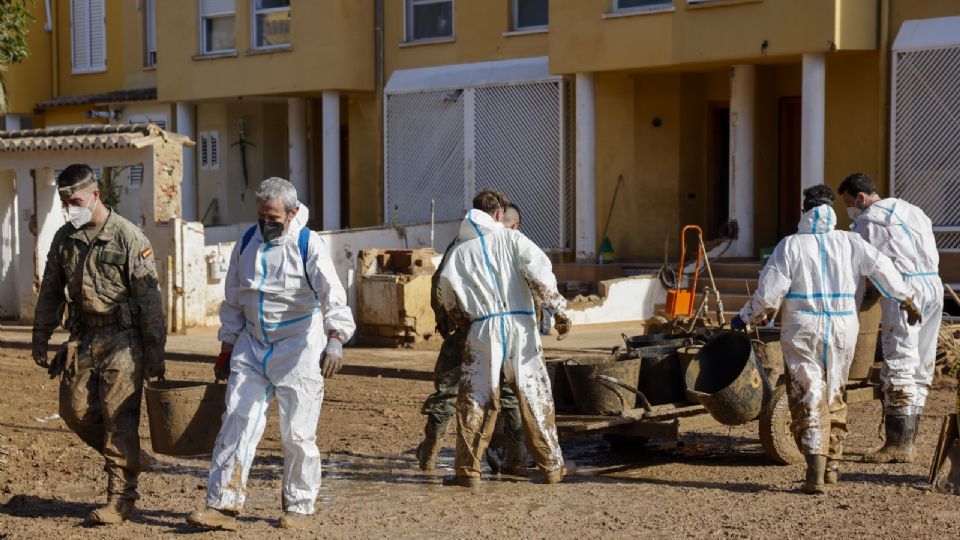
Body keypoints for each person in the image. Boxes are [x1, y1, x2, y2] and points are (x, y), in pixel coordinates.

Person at [187, 178, 355, 531]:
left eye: (274, 218)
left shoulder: (309, 245)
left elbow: (332, 295)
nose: (267, 224)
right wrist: (226, 347)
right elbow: (234, 298)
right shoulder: (247, 242)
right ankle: (222, 505)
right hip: (252, 343)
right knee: (237, 420)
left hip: (299, 347)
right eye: (262, 216)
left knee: (297, 432)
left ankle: (299, 506)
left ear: (292, 213)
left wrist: (336, 338)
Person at [731, 184, 920, 493]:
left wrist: (744, 317)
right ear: (831, 210)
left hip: (802, 327)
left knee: (808, 393)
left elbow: (768, 296)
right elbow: (884, 268)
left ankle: (814, 474)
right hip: (844, 327)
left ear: (804, 211)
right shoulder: (852, 242)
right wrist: (906, 299)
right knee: (835, 391)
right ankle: (832, 467)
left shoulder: (790, 246)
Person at [32, 164, 166, 524]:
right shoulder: (65, 238)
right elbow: (50, 290)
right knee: (74, 412)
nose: (69, 209)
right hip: (83, 337)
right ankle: (134, 456)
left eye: (74, 201)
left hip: (124, 339)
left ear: (95, 195)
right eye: (64, 203)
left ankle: (120, 500)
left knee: (118, 417)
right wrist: (41, 334)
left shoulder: (128, 237)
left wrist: (156, 354)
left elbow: (151, 302)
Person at [437, 189, 571, 487]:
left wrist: (461, 319)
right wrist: (559, 310)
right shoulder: (514, 239)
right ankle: (551, 467)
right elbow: (539, 273)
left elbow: (446, 294)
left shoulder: (460, 251)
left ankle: (468, 472)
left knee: (475, 398)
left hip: (482, 328)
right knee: (534, 393)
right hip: (521, 326)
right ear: (498, 214)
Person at [838, 172, 944, 463]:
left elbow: (864, 266)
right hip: (933, 286)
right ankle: (909, 440)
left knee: (899, 361)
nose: (850, 209)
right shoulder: (914, 210)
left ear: (860, 197)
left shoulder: (868, 221)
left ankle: (898, 444)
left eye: (849, 203)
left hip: (904, 289)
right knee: (921, 364)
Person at [416, 199, 526, 475]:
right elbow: (534, 285)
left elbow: (439, 284)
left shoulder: (462, 242)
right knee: (510, 391)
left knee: (448, 391)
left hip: (468, 328)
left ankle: (430, 454)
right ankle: (516, 458)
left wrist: (446, 319)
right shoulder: (514, 244)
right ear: (503, 217)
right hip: (507, 331)